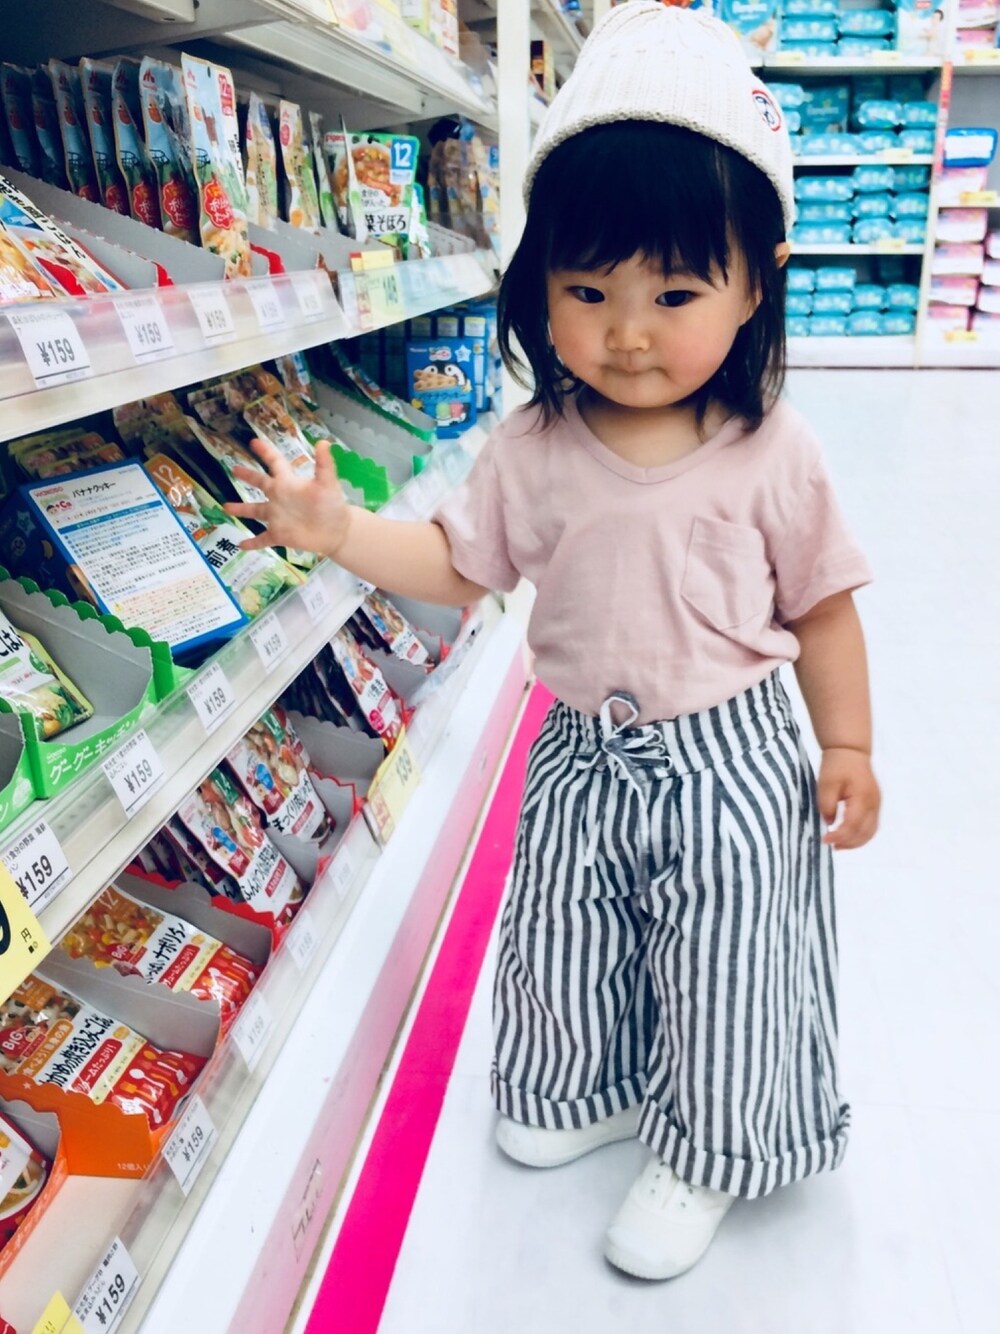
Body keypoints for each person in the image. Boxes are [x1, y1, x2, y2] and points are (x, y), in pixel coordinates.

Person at [225, 2, 881, 1283]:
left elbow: (821, 607)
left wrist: (846, 741)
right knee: (563, 931)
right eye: (588, 291)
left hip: (734, 757)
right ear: (538, 287)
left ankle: (711, 1142)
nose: (627, 331)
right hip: (580, 745)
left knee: (729, 959)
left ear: (756, 284)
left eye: (673, 292)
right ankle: (588, 1081)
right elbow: (460, 565)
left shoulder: (772, 449)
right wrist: (337, 528)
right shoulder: (533, 446)